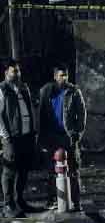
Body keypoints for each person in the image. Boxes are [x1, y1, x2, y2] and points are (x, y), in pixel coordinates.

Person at [38, 65, 87, 211]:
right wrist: (42, 138)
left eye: (66, 75)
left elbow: (82, 114)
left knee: (73, 170)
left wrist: (77, 134)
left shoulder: (74, 91)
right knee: (51, 171)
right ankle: (52, 199)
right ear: (55, 76)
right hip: (51, 137)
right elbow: (41, 116)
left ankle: (76, 201)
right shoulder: (46, 91)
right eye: (61, 75)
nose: (64, 78)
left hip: (68, 137)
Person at [0, 60, 37, 217]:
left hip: (26, 135)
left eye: (18, 71)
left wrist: (33, 130)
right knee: (9, 171)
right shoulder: (2, 89)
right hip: (12, 137)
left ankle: (19, 201)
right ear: (6, 73)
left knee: (23, 169)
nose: (17, 74)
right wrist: (5, 135)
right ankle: (8, 205)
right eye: (14, 71)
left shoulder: (23, 88)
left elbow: (30, 109)